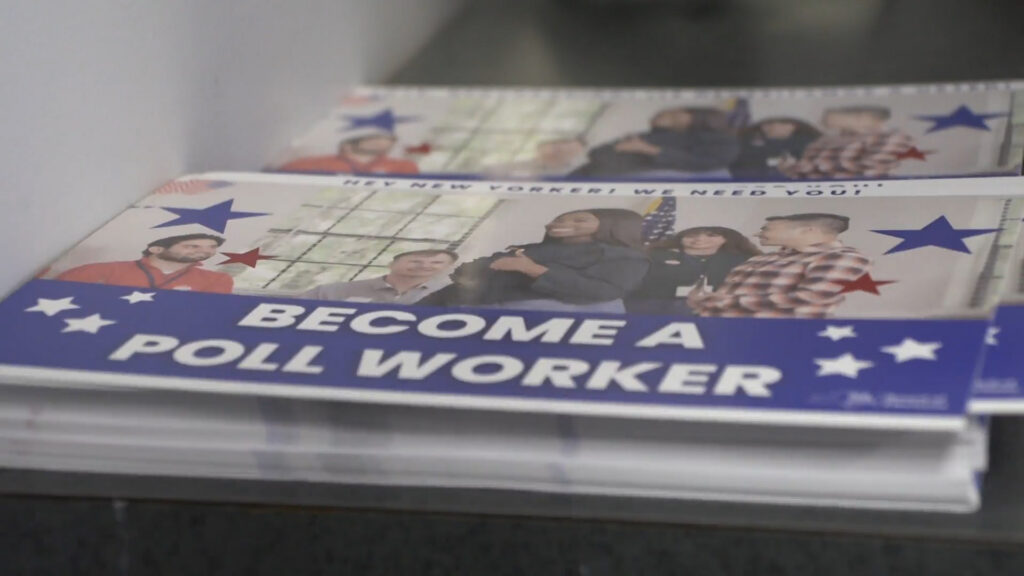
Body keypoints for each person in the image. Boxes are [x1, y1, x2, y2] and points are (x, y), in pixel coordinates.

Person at [420, 209, 649, 313]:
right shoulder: (532, 248)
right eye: (559, 219)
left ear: (613, 225)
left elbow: (603, 291)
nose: (562, 223)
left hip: (517, 318)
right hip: (450, 303)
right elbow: (473, 268)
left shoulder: (626, 257)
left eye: (580, 220)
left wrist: (532, 269)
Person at [687, 213, 871, 318]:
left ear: (809, 230)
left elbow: (812, 297)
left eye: (767, 228)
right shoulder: (760, 259)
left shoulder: (842, 258)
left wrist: (716, 301)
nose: (758, 233)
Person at [568, 107, 740, 179]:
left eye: (676, 114)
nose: (669, 115)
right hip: (585, 175)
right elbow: (596, 154)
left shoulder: (724, 145)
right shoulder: (654, 135)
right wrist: (621, 147)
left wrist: (647, 149)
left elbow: (696, 163)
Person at [626, 227, 760, 315]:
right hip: (655, 308)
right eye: (691, 235)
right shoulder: (653, 255)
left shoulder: (745, 260)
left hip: (719, 310)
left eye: (711, 235)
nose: (699, 239)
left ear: (726, 239)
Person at [56, 234, 233, 293]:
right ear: (156, 249)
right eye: (192, 246)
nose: (204, 251)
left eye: (212, 247)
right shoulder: (100, 270)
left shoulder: (217, 280)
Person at [778, 106, 914, 180]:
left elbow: (870, 171)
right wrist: (791, 168)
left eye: (832, 113)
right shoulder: (824, 139)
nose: (823, 119)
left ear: (861, 116)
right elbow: (799, 173)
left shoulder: (892, 137)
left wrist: (803, 167)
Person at [303, 249, 458, 304]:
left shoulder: (459, 299)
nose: (425, 266)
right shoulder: (333, 291)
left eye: (437, 262)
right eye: (415, 261)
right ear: (391, 265)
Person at [278, 133, 419, 175]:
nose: (379, 142)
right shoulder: (314, 163)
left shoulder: (403, 166)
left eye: (386, 139)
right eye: (372, 137)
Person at [729, 117, 822, 179]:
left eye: (771, 124)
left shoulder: (808, 141)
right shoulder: (747, 139)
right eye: (766, 124)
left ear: (792, 126)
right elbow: (739, 163)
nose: (766, 127)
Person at [483, 136, 587, 179]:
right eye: (558, 148)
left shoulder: (565, 175)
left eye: (570, 152)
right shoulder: (520, 165)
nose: (561, 152)